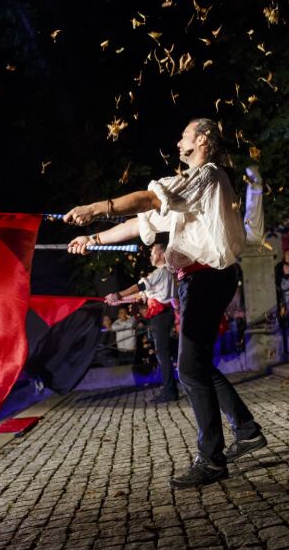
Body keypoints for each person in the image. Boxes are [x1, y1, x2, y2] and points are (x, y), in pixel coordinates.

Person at [64, 118, 264, 487]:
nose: (177, 141)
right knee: (196, 364)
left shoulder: (207, 176)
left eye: (184, 134)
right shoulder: (191, 186)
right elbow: (144, 219)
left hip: (207, 278)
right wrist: (94, 239)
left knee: (189, 367)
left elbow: (151, 198)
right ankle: (246, 429)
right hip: (198, 280)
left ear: (202, 140)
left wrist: (96, 207)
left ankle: (212, 460)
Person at [106, 242, 178, 402]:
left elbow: (140, 286)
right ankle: (170, 389)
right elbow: (141, 295)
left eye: (153, 253)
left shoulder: (161, 272)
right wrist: (119, 300)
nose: (151, 256)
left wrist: (118, 295)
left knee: (163, 354)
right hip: (162, 315)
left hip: (161, 316)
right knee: (163, 353)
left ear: (161, 255)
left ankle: (170, 392)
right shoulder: (164, 274)